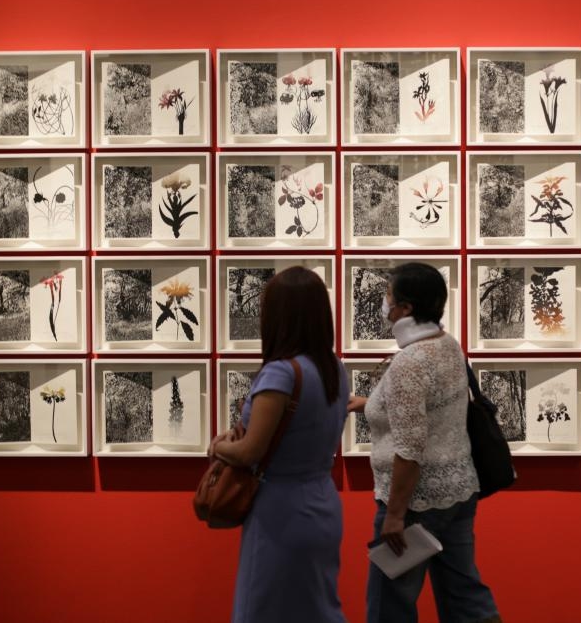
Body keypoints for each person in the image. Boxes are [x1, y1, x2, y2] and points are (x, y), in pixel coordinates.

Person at [350, 262, 501, 623]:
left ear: (405, 309)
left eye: (388, 296)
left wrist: (396, 517)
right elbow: (432, 410)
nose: (384, 303)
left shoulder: (409, 363)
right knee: (465, 597)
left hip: (415, 503)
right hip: (459, 491)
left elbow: (410, 448)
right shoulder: (447, 345)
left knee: (391, 605)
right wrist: (365, 404)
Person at [209, 266, 348, 623]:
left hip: (281, 511)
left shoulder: (281, 373)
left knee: (264, 609)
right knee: (317, 609)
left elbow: (251, 451)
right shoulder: (335, 368)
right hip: (322, 502)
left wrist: (218, 446)